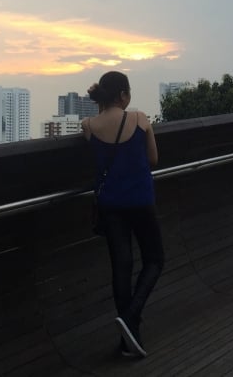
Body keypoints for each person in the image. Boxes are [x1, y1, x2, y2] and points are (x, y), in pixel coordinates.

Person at [81, 71, 164, 359]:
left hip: (110, 204)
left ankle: (129, 339)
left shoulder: (88, 125)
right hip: (140, 200)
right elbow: (153, 159)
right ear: (124, 96)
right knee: (154, 259)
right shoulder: (140, 119)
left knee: (122, 265)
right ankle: (131, 318)